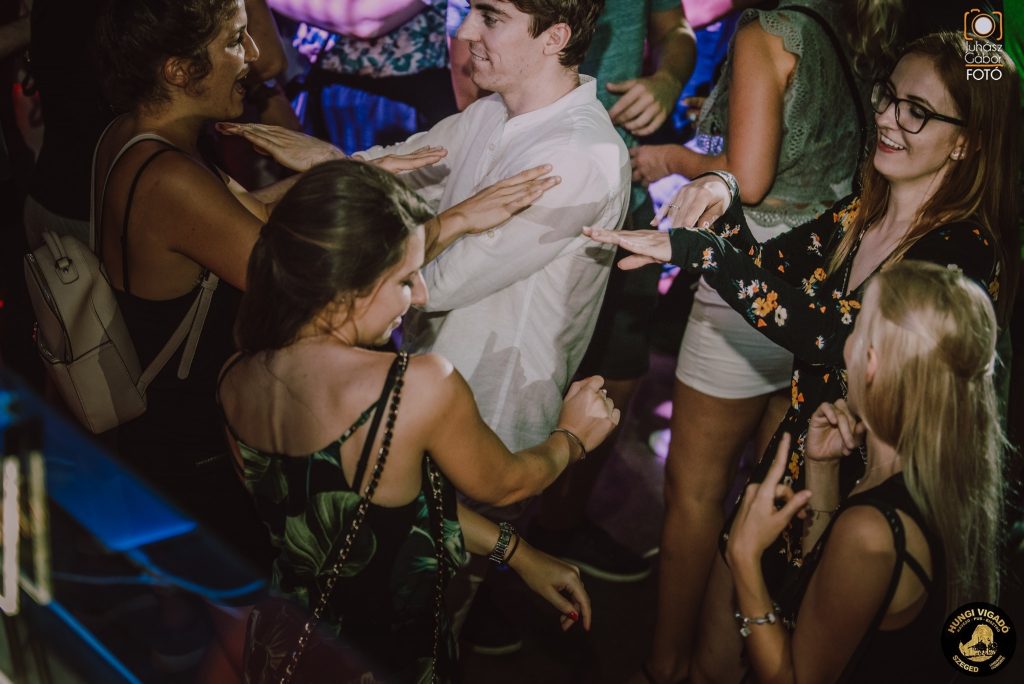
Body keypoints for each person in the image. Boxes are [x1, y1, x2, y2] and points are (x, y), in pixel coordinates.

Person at [586, 31, 1018, 681]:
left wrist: (704, 254)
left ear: (967, 141)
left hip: (871, 497)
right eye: (887, 97)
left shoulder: (962, 254)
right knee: (716, 658)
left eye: (917, 112)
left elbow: (832, 335)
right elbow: (767, 269)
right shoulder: (862, 214)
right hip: (800, 467)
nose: (887, 119)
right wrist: (718, 191)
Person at [218, 159, 620, 683]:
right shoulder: (414, 387)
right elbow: (509, 483)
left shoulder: (235, 375)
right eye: (405, 280)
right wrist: (571, 437)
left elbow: (360, 508)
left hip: (280, 647)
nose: (417, 297)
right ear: (351, 283)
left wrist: (519, 554)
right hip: (382, 655)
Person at [624, 1, 888, 680]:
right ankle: (727, 662)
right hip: (825, 287)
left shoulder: (768, 32)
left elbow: (751, 175)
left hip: (752, 285)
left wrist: (671, 159)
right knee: (764, 490)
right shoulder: (852, 20)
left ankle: (665, 665)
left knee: (694, 493)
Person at [727, 260, 1003, 683]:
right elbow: (829, 588)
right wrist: (823, 471)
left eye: (856, 328)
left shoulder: (872, 533)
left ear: (869, 362)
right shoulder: (938, 477)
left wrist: (744, 558)